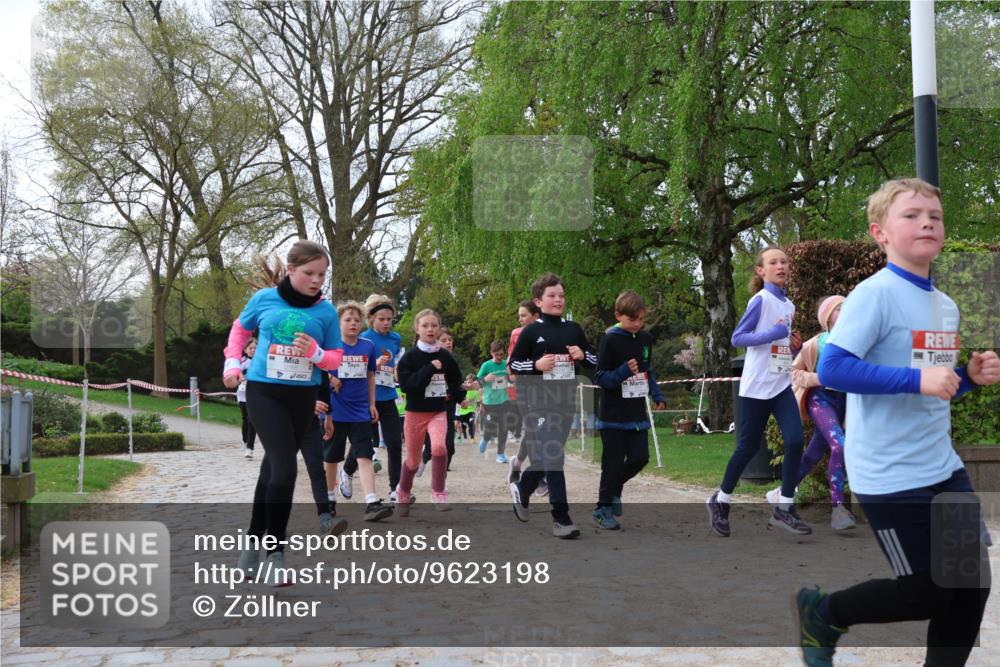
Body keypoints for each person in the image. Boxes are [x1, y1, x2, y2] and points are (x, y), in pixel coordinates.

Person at [795, 178, 999, 667]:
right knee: (926, 591)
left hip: (941, 467)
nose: (927, 220)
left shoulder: (944, 305)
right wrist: (917, 379)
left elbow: (934, 383)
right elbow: (835, 369)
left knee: (970, 587)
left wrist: (965, 377)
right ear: (879, 232)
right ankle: (824, 612)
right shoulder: (873, 295)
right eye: (910, 214)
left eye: (935, 214)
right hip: (888, 473)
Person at [222, 240, 343, 584]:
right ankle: (275, 554)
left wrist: (317, 354)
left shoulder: (325, 312)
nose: (317, 280)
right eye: (309, 273)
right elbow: (239, 330)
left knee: (271, 472)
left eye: (322, 274)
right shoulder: (264, 300)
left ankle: (251, 541)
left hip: (302, 397)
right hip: (264, 392)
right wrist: (232, 362)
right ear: (290, 270)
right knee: (286, 469)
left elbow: (336, 358)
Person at [706, 246, 810, 537]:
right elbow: (738, 337)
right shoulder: (760, 300)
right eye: (773, 262)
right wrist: (773, 335)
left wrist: (792, 346)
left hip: (780, 384)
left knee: (794, 440)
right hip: (756, 387)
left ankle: (784, 508)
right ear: (760, 271)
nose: (781, 265)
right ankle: (720, 501)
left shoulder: (788, 306)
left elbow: (779, 344)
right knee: (747, 448)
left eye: (784, 262)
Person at [509, 273, 597, 539]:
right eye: (552, 295)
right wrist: (536, 366)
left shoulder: (573, 329)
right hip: (537, 403)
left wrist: (583, 356)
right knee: (555, 457)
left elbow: (594, 359)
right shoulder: (531, 331)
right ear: (539, 301)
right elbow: (513, 365)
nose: (558, 299)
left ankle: (522, 491)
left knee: (549, 455)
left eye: (561, 295)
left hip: (565, 402)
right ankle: (561, 518)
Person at [764, 294, 855, 531]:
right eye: (838, 308)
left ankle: (780, 496)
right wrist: (818, 378)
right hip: (820, 399)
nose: (845, 310)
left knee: (814, 453)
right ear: (827, 318)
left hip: (843, 403)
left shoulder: (857, 343)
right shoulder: (815, 344)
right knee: (840, 445)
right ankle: (838, 510)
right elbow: (793, 373)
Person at [592, 290, 667, 530]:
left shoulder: (645, 339)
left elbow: (647, 370)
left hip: (636, 414)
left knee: (640, 458)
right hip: (613, 416)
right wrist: (623, 371)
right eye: (632, 319)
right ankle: (602, 509)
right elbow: (601, 378)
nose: (637, 324)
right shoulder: (610, 339)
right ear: (618, 316)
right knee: (611, 464)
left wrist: (657, 394)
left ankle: (615, 489)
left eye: (641, 320)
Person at [324, 301, 393, 522]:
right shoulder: (330, 347)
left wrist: (372, 404)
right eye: (347, 320)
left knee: (365, 455)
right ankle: (330, 499)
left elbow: (371, 376)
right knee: (332, 458)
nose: (353, 324)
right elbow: (316, 371)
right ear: (338, 323)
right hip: (334, 412)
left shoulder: (367, 346)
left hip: (360, 411)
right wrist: (329, 378)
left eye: (356, 320)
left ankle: (371, 502)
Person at [394, 309, 466, 514]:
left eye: (434, 325)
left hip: (437, 411)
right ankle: (403, 493)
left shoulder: (445, 356)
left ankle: (438, 492)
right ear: (417, 329)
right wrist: (429, 369)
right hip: (415, 413)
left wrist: (460, 396)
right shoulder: (409, 357)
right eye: (425, 325)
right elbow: (408, 387)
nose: (430, 329)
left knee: (439, 449)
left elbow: (454, 380)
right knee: (413, 461)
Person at [340, 295, 405, 503]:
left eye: (389, 319)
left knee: (395, 443)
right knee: (363, 443)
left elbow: (393, 364)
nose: (386, 323)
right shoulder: (365, 340)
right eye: (381, 319)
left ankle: (395, 490)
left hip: (387, 395)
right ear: (371, 319)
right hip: (367, 398)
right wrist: (373, 365)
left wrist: (395, 371)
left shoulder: (395, 339)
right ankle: (347, 471)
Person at [507, 300, 541, 484]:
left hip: (544, 386)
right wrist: (511, 371)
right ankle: (538, 475)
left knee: (536, 428)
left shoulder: (547, 332)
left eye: (524, 315)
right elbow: (511, 357)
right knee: (533, 427)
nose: (520, 319)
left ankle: (518, 462)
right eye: (519, 315)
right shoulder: (516, 333)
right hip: (524, 384)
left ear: (536, 315)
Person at [420, 327, 460, 473]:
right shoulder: (427, 360)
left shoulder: (452, 362)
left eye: (450, 340)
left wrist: (462, 392)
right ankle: (422, 457)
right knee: (432, 448)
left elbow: (455, 383)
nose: (448, 343)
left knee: (449, 447)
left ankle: (440, 480)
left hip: (447, 409)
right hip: (430, 409)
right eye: (444, 340)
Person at [478, 340, 513, 464]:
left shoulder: (506, 364)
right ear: (491, 353)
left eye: (501, 354)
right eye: (496, 354)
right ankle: (485, 439)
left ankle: (500, 454)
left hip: (504, 400)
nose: (499, 357)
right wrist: (485, 378)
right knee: (491, 427)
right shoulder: (486, 365)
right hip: (489, 402)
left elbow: (512, 380)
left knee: (504, 428)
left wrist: (512, 376)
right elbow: (478, 381)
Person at [236, 337, 257, 459]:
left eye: (255, 348)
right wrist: (240, 378)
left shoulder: (261, 362)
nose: (253, 350)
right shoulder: (241, 361)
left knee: (251, 419)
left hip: (255, 393)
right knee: (245, 419)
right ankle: (245, 441)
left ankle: (250, 448)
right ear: (245, 349)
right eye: (251, 348)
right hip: (242, 393)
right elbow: (235, 374)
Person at [456, 374, 480, 442]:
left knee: (471, 423)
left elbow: (478, 401)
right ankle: (463, 433)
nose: (469, 384)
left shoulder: (476, 392)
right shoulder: (463, 391)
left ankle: (472, 438)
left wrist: (479, 407)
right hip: (462, 411)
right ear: (466, 382)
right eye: (468, 382)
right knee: (463, 425)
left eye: (471, 382)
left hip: (471, 410)